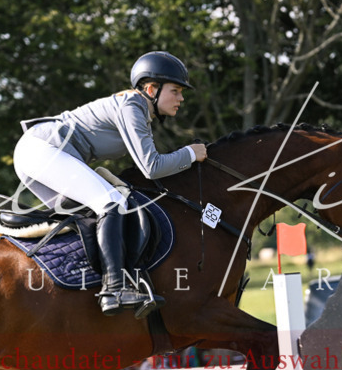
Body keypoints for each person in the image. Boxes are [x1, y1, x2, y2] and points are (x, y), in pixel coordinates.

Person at [12, 51, 208, 316]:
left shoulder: (138, 110)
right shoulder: (132, 104)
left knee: (90, 215)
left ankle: (84, 282)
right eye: (175, 90)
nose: (181, 98)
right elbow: (152, 167)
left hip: (37, 153)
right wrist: (190, 154)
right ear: (151, 88)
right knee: (111, 201)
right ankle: (115, 287)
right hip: (42, 149)